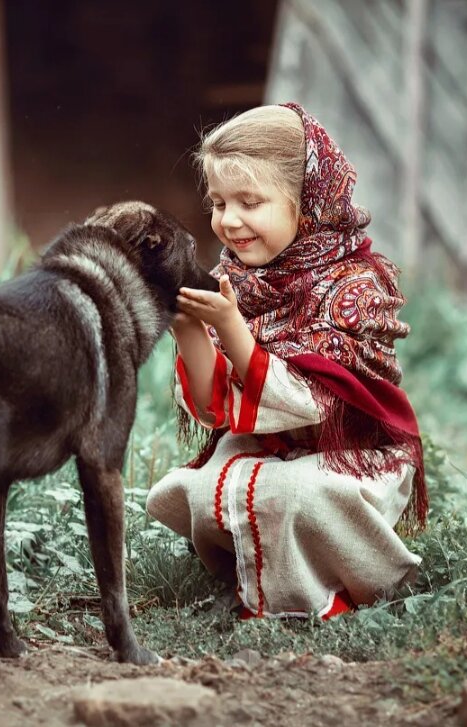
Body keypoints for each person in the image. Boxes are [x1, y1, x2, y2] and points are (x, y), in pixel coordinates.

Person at [146, 102, 427, 620]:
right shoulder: (238, 279)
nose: (228, 221)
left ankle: (334, 590)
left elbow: (313, 403)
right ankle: (259, 572)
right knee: (203, 489)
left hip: (349, 455)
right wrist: (188, 326)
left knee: (298, 495)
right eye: (218, 202)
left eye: (250, 202)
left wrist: (231, 328)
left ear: (307, 206)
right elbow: (214, 409)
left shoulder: (354, 286)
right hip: (265, 443)